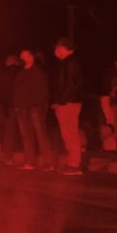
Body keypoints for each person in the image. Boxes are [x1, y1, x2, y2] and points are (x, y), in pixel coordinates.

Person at [13, 49, 53, 170]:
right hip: (21, 108)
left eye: (26, 54)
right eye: (22, 54)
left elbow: (43, 90)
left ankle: (48, 162)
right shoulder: (21, 73)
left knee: (40, 134)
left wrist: (39, 104)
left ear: (32, 57)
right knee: (26, 135)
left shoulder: (38, 71)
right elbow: (16, 89)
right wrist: (16, 104)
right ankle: (29, 161)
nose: (24, 57)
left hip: (35, 107)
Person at [51, 38, 83, 175]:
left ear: (66, 48)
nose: (56, 51)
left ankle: (74, 165)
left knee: (70, 134)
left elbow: (70, 84)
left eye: (59, 48)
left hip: (69, 103)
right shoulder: (67, 62)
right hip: (67, 101)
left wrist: (62, 101)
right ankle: (72, 163)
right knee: (68, 134)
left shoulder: (70, 63)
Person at [0, 54, 23, 163]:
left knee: (8, 130)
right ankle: (19, 153)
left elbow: (1, 91)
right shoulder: (20, 72)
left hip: (6, 106)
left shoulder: (2, 74)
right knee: (21, 130)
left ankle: (7, 155)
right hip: (18, 105)